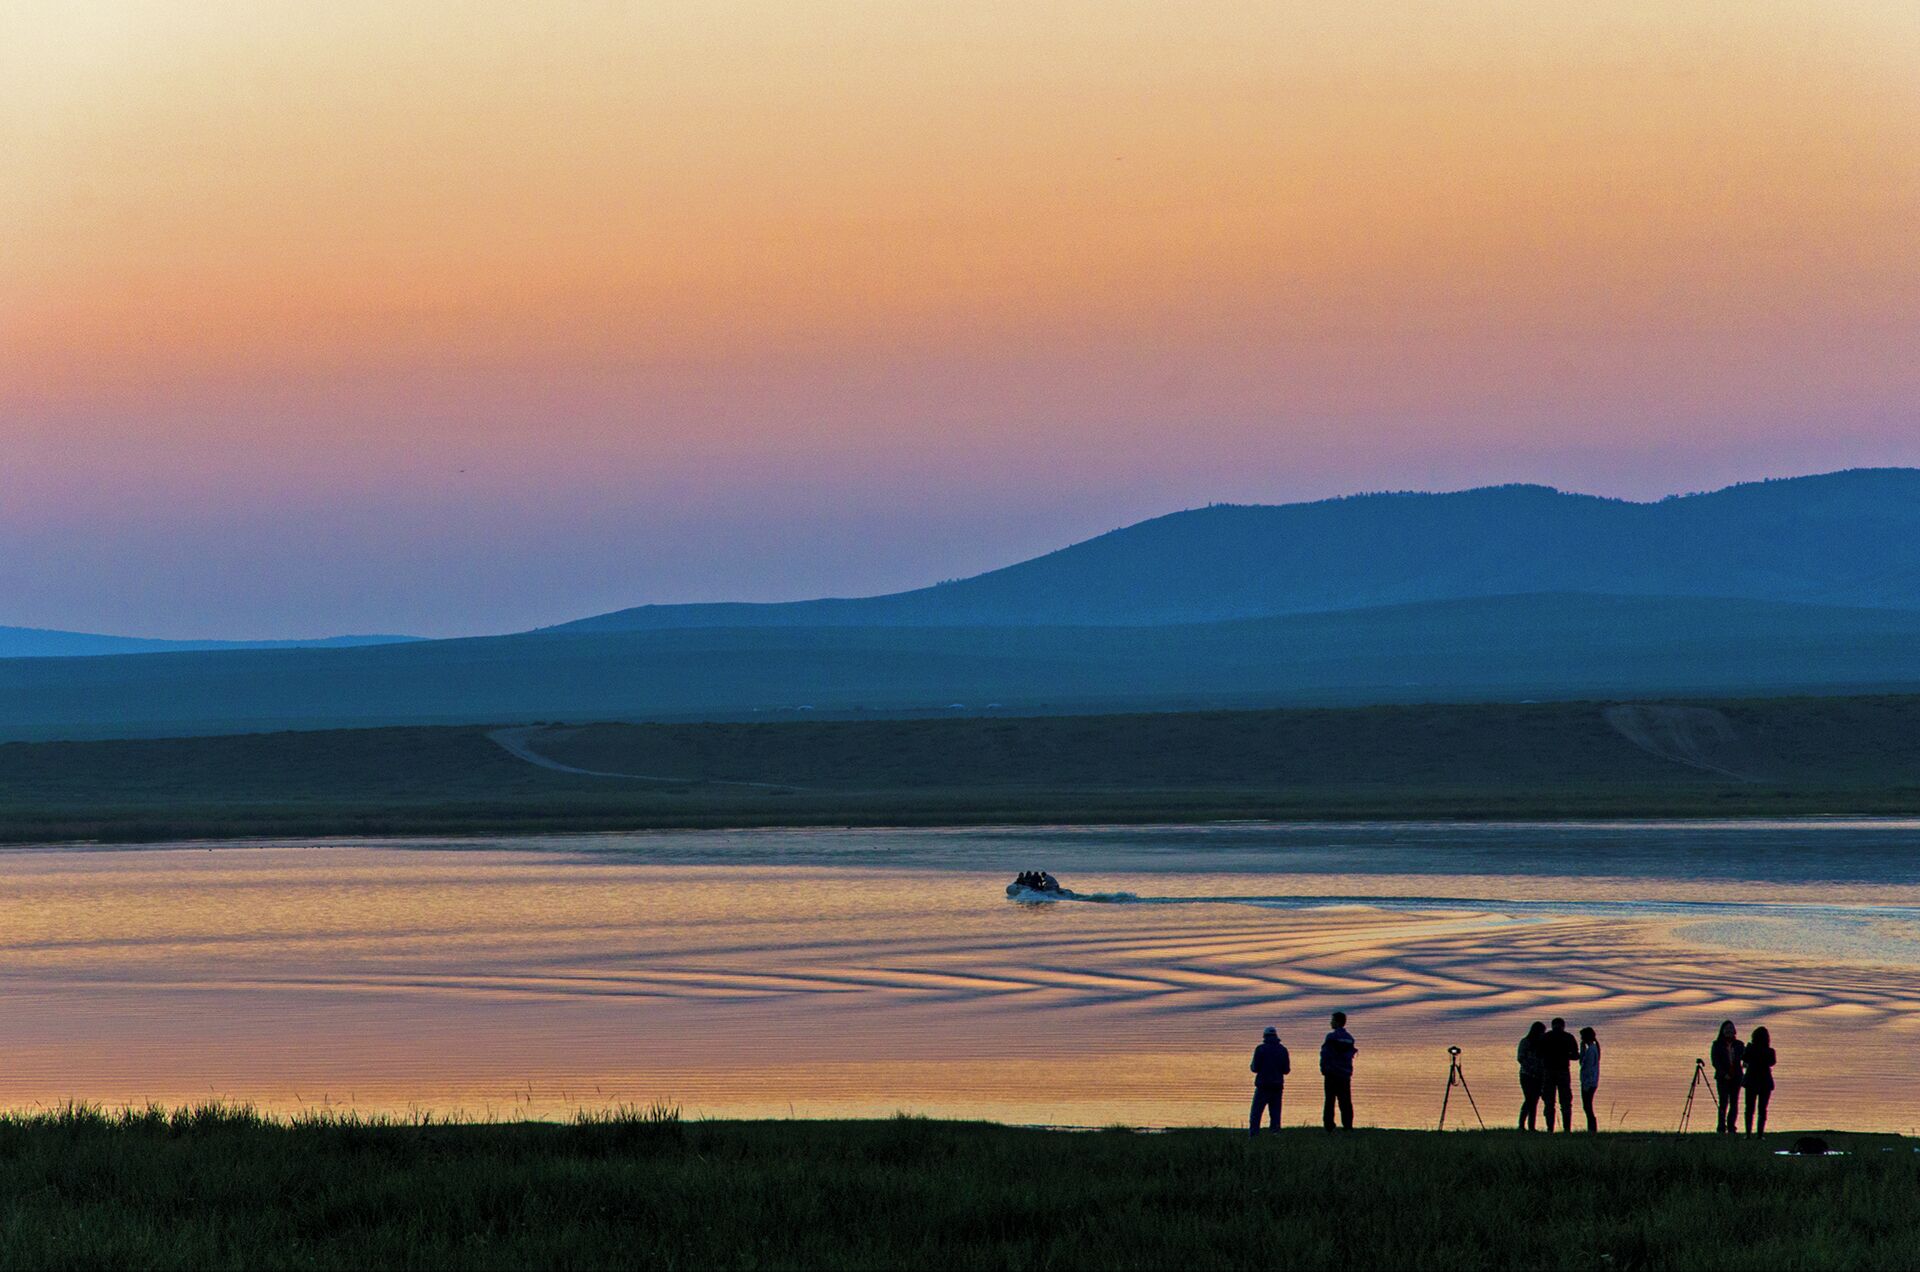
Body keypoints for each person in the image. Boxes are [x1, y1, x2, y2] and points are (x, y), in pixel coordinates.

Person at [1249, 1026, 1291, 1136]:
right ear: (1276, 1036)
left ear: (1264, 1036)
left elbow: (1255, 1068)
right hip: (1277, 1085)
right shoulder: (1283, 1050)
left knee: (1256, 1113)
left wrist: (1252, 1066)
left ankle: (1254, 1135)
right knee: (1275, 1113)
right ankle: (1275, 1133)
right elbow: (1286, 1070)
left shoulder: (1260, 1049)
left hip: (1263, 1085)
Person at [1320, 1011, 1357, 1131]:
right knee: (1345, 1100)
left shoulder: (1331, 1037)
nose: (1331, 1022)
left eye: (1332, 1020)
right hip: (1345, 1073)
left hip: (1332, 1073)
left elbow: (1325, 1054)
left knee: (1330, 1100)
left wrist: (1324, 1068)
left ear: (1337, 1022)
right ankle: (1347, 1125)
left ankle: (1329, 1125)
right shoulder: (1350, 1039)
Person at [1541, 1017, 1578, 1132]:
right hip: (1563, 1072)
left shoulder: (1545, 1037)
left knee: (1549, 1101)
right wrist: (1566, 1055)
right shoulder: (1568, 1037)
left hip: (1548, 1071)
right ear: (1563, 1026)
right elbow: (1575, 1056)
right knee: (1566, 1101)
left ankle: (1549, 1129)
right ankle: (1567, 1129)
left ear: (1552, 1025)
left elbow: (1539, 1053)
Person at [1710, 1020, 1745, 1134]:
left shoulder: (1739, 1044)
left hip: (1736, 1077)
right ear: (1722, 1031)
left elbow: (1745, 1058)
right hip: (1722, 1078)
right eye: (1727, 1028)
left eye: (1731, 1028)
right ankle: (1721, 1127)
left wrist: (1746, 1063)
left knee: (1734, 1103)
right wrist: (1724, 1074)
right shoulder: (1717, 1044)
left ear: (1735, 1031)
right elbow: (1715, 1062)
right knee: (1723, 1102)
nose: (1729, 1030)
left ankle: (1731, 1127)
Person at [1743, 1026, 1776, 1136]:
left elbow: (1744, 1058)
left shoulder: (1750, 1049)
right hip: (1765, 1081)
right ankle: (1760, 1134)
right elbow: (1772, 1062)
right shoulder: (1770, 1051)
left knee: (1749, 1108)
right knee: (1762, 1109)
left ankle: (1748, 1133)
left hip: (1751, 1080)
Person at [1516, 1021, 1546, 1130]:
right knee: (1530, 1100)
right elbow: (1520, 1058)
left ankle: (1529, 1126)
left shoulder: (1542, 1044)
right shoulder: (1525, 1042)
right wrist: (1531, 1068)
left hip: (1538, 1076)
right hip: (1527, 1075)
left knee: (1534, 1101)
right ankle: (1523, 1125)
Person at [1578, 1026, 1601, 1133]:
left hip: (1588, 1082)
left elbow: (1586, 1067)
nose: (1581, 1039)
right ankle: (1591, 1128)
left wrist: (1586, 1084)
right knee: (1587, 1106)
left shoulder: (1591, 1051)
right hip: (1592, 1081)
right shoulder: (1594, 1048)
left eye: (1582, 1037)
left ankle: (1592, 1129)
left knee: (1587, 1106)